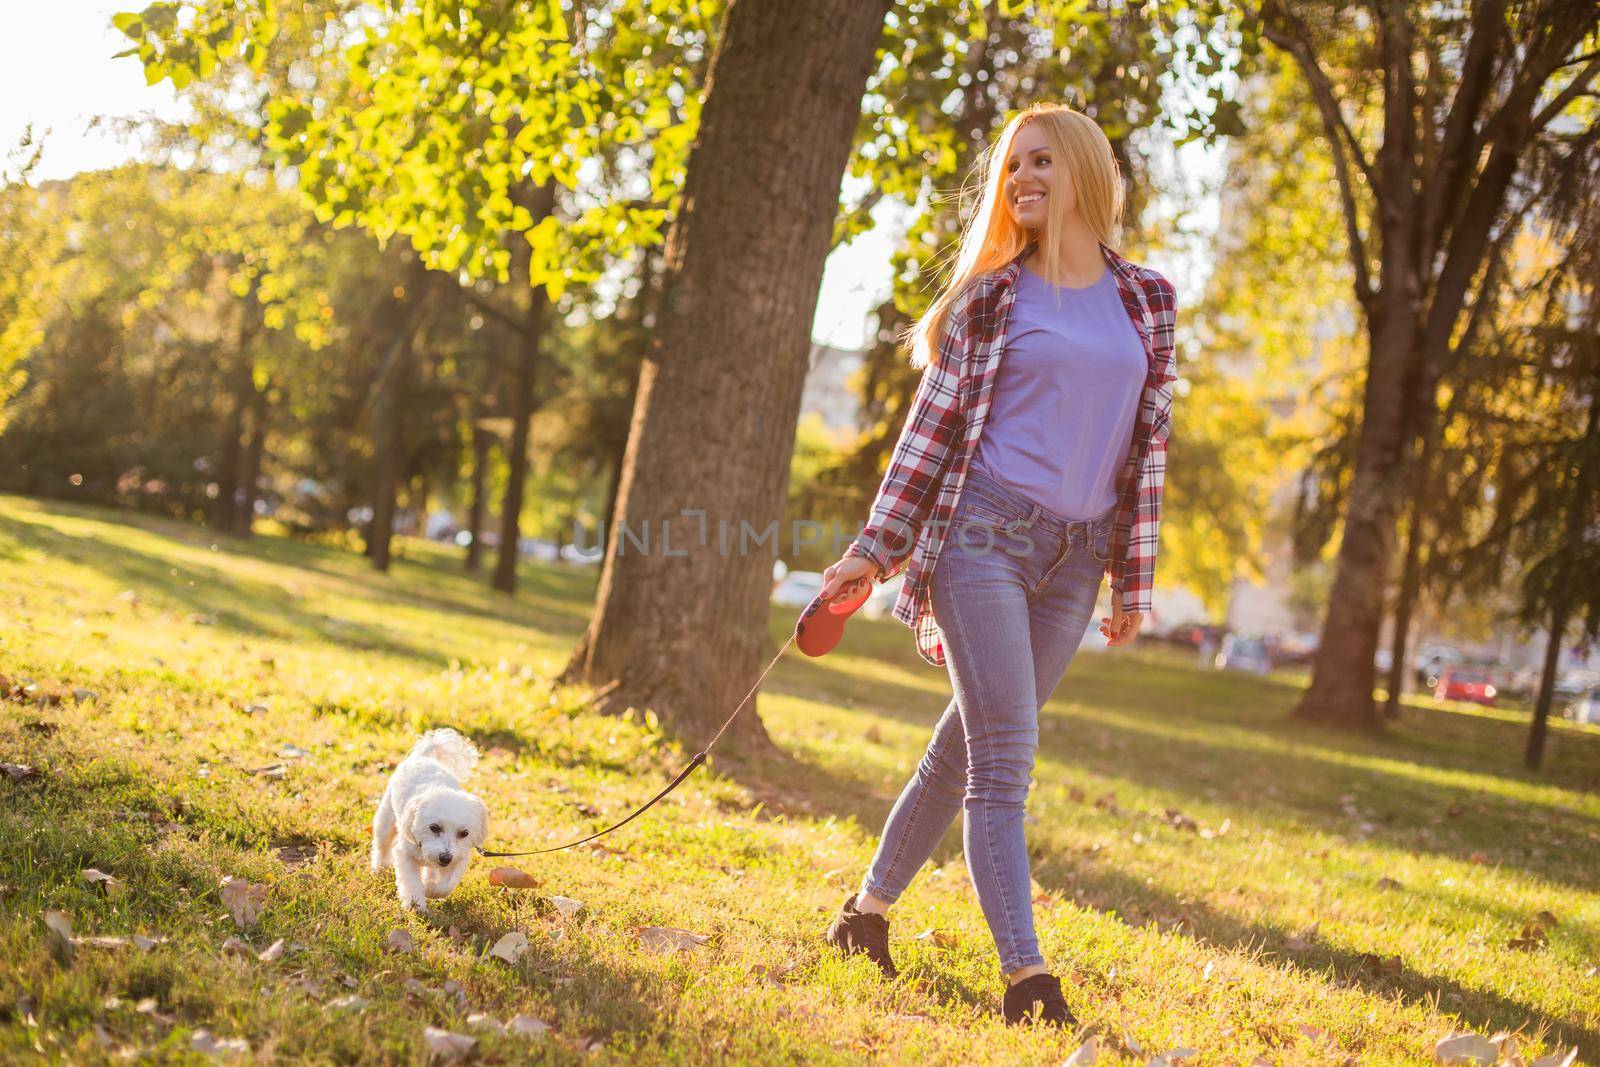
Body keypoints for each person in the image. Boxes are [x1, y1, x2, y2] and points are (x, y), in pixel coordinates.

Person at [817, 102, 1179, 1028]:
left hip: (1079, 558)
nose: (1021, 179)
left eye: (1042, 162)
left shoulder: (1148, 300)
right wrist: (875, 548)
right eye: (1013, 166)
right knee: (1004, 762)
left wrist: (1131, 578)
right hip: (983, 540)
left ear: (1089, 173)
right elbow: (927, 437)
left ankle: (863, 916)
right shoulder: (991, 300)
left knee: (960, 749)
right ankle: (1028, 979)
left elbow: (1147, 446)